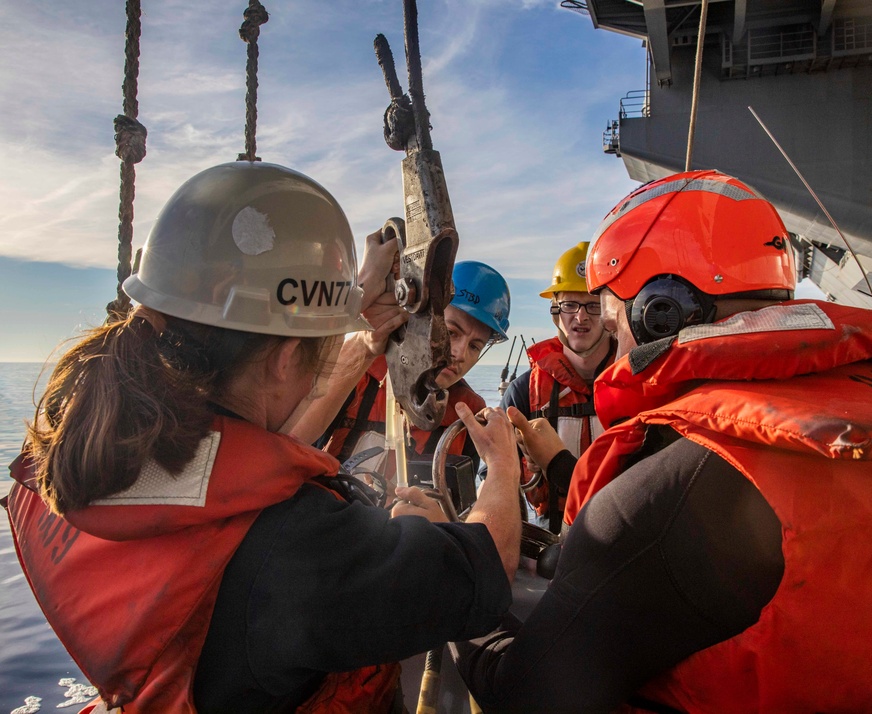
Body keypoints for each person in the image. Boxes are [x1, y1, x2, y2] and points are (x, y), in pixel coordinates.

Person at [454, 169, 872, 712]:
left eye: (617, 328)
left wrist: (455, 573)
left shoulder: (674, 489)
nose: (614, 353)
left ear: (659, 314)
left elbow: (525, 695)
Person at [2, 161, 523, 713]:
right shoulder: (303, 552)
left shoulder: (84, 455)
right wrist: (505, 470)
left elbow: (254, 465)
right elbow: (485, 568)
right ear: (281, 361)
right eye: (322, 346)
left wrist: (350, 313)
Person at [290, 260, 511, 503]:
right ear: (420, 319)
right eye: (450, 332)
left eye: (475, 346)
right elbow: (287, 444)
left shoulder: (469, 416)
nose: (459, 353)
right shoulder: (357, 376)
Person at [493, 242, 613, 533]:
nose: (580, 317)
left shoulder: (642, 383)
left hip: (624, 532)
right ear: (555, 312)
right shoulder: (523, 393)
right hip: (552, 535)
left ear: (611, 311)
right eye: (570, 305)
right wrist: (525, 470)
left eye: (593, 305)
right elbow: (493, 475)